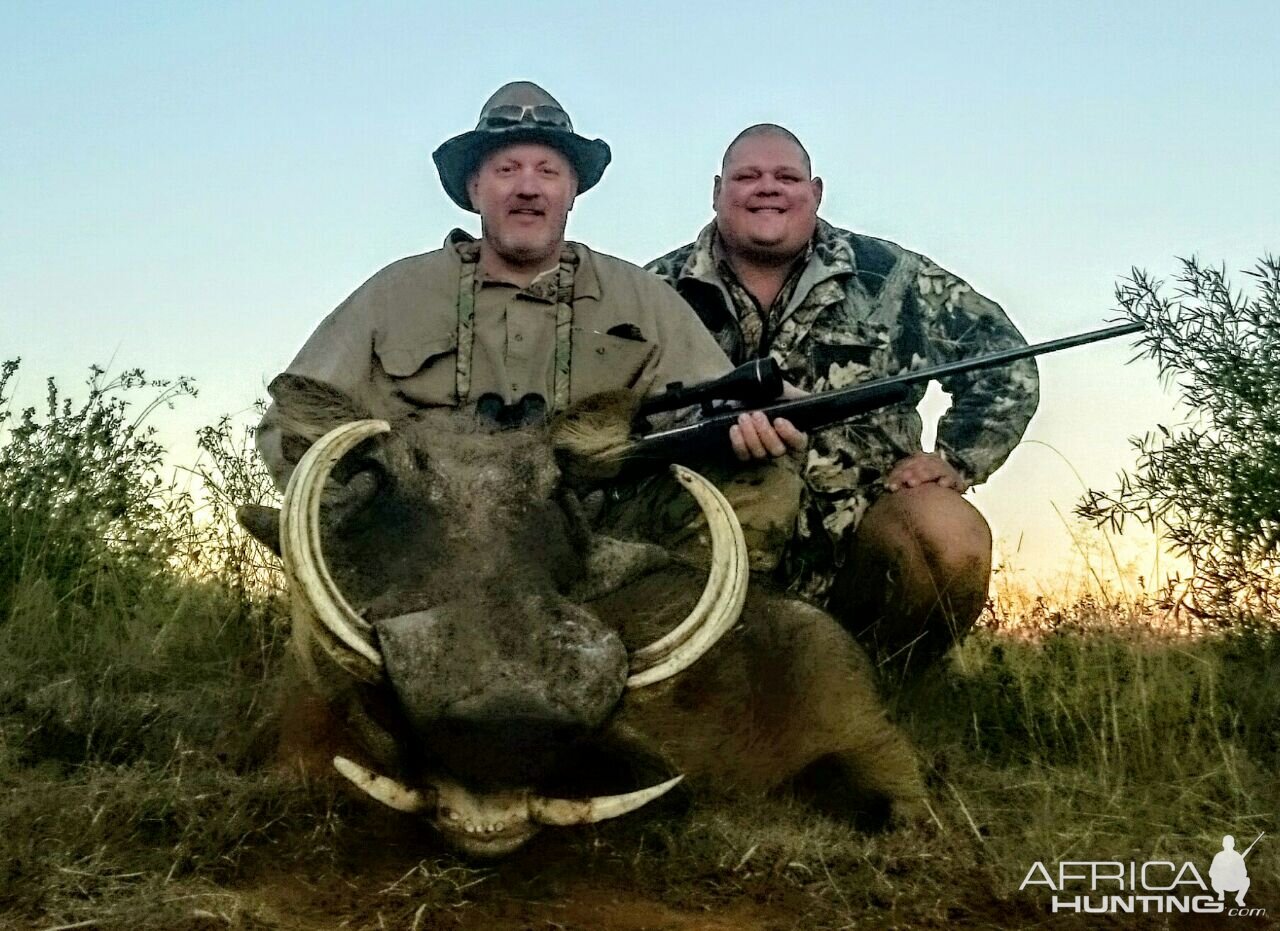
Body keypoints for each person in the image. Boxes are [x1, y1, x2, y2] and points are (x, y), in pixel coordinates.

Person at [257, 84, 802, 488]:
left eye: (547, 171)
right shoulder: (393, 294)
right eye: (506, 169)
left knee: (762, 483)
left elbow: (721, 405)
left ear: (572, 191)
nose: (527, 188)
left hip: (590, 533)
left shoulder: (643, 298)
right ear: (473, 188)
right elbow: (291, 427)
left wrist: (761, 424)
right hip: (427, 540)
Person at [648, 124, 1039, 672]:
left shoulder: (891, 278)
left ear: (816, 192)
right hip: (705, 551)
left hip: (860, 547)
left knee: (948, 534)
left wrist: (955, 460)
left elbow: (1004, 362)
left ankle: (894, 688)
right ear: (717, 191)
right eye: (748, 176)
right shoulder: (653, 292)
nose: (768, 188)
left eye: (787, 176)